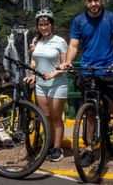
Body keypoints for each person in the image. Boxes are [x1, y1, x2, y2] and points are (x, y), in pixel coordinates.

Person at [61, 0, 113, 169]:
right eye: (90, 0)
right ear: (85, 1)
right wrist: (68, 61)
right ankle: (88, 149)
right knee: (89, 112)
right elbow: (73, 45)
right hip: (88, 71)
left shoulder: (112, 18)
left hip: (109, 70)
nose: (93, 3)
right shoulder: (79, 21)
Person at [26, 9, 67, 163]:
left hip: (57, 83)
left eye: (47, 24)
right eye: (41, 25)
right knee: (45, 117)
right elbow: (34, 61)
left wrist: (53, 74)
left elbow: (64, 64)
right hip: (41, 84)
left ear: (52, 25)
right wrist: (32, 75)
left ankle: (57, 148)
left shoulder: (60, 41)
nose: (44, 27)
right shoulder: (36, 42)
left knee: (56, 117)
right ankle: (48, 145)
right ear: (38, 26)